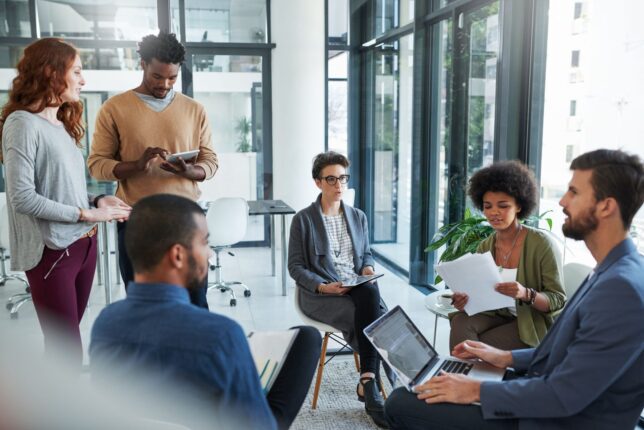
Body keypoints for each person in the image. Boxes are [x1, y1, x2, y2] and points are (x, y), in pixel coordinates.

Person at [384, 149, 644, 430]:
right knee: (429, 385)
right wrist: (505, 357)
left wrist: (474, 391)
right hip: (540, 388)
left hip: (555, 418)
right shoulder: (615, 270)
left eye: (573, 192)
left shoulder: (621, 289)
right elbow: (569, 355)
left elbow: (565, 394)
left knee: (401, 403)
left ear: (606, 206)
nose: (562, 201)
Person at [89, 194, 321, 430]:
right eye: (204, 242)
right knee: (307, 338)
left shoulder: (105, 323)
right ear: (178, 255)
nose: (210, 254)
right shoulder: (220, 335)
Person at [0, 38, 131, 364]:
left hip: (84, 246)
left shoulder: (60, 124)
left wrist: (100, 200)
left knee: (68, 341)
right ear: (50, 72)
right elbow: (22, 197)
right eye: (77, 71)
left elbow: (65, 190)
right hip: (53, 250)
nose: (83, 80)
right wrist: (85, 214)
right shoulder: (21, 124)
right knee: (66, 348)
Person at [87, 31, 218, 309]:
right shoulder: (114, 109)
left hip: (187, 218)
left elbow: (210, 161)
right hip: (137, 219)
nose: (165, 84)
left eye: (172, 77)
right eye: (158, 76)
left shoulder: (195, 110)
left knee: (196, 302)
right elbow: (97, 165)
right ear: (143, 64)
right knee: (144, 306)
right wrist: (136, 165)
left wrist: (189, 172)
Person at [288, 151, 389, 429]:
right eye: (331, 179)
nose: (338, 186)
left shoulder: (358, 216)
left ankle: (367, 380)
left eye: (342, 178)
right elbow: (296, 267)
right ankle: (378, 383)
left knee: (369, 293)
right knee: (380, 314)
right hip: (321, 294)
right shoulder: (303, 220)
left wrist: (367, 269)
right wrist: (323, 286)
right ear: (318, 182)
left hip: (356, 286)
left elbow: (366, 255)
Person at [449, 160, 566, 350]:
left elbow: (557, 299)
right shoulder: (485, 246)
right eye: (488, 206)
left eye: (503, 206)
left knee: (477, 346)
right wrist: (464, 302)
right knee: (460, 322)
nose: (494, 213)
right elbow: (480, 297)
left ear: (519, 206)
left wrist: (526, 293)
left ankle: (467, 376)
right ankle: (464, 375)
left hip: (530, 323)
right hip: (497, 315)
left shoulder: (541, 244)